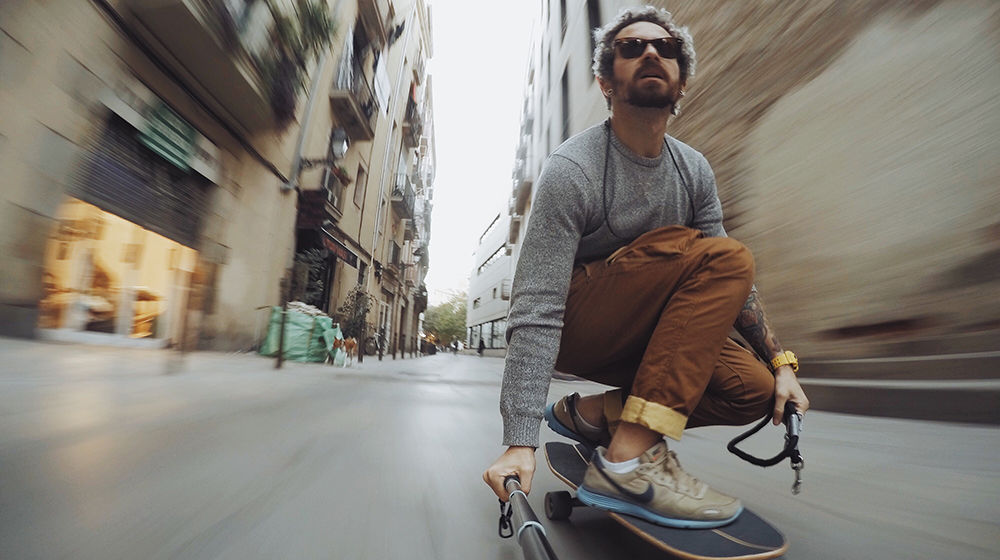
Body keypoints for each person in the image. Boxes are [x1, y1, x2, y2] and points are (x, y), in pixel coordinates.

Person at [483, 6, 809, 529]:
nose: (652, 52)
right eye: (631, 48)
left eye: (667, 48)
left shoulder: (693, 169)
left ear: (682, 83)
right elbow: (536, 306)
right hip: (583, 325)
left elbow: (734, 286)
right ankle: (629, 462)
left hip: (654, 332)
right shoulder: (573, 170)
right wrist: (519, 440)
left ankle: (591, 415)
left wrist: (782, 365)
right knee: (725, 256)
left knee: (751, 388)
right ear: (605, 82)